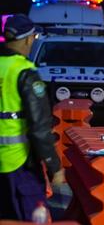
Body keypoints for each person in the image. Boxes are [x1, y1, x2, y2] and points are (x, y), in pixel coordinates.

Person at [0, 14, 64, 220]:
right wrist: (54, 166)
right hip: (19, 165)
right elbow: (39, 127)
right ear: (28, 39)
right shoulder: (25, 72)